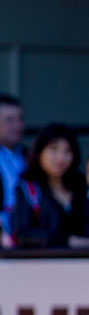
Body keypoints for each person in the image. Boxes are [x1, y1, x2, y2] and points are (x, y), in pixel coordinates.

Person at [11, 123, 86, 248]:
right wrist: (66, 240)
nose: (61, 158)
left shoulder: (84, 185)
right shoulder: (28, 189)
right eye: (54, 149)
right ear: (39, 152)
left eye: (67, 151)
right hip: (45, 263)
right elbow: (23, 233)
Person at [0, 93, 26, 248]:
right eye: (9, 120)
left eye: (20, 119)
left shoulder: (31, 156)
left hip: (27, 240)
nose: (18, 126)